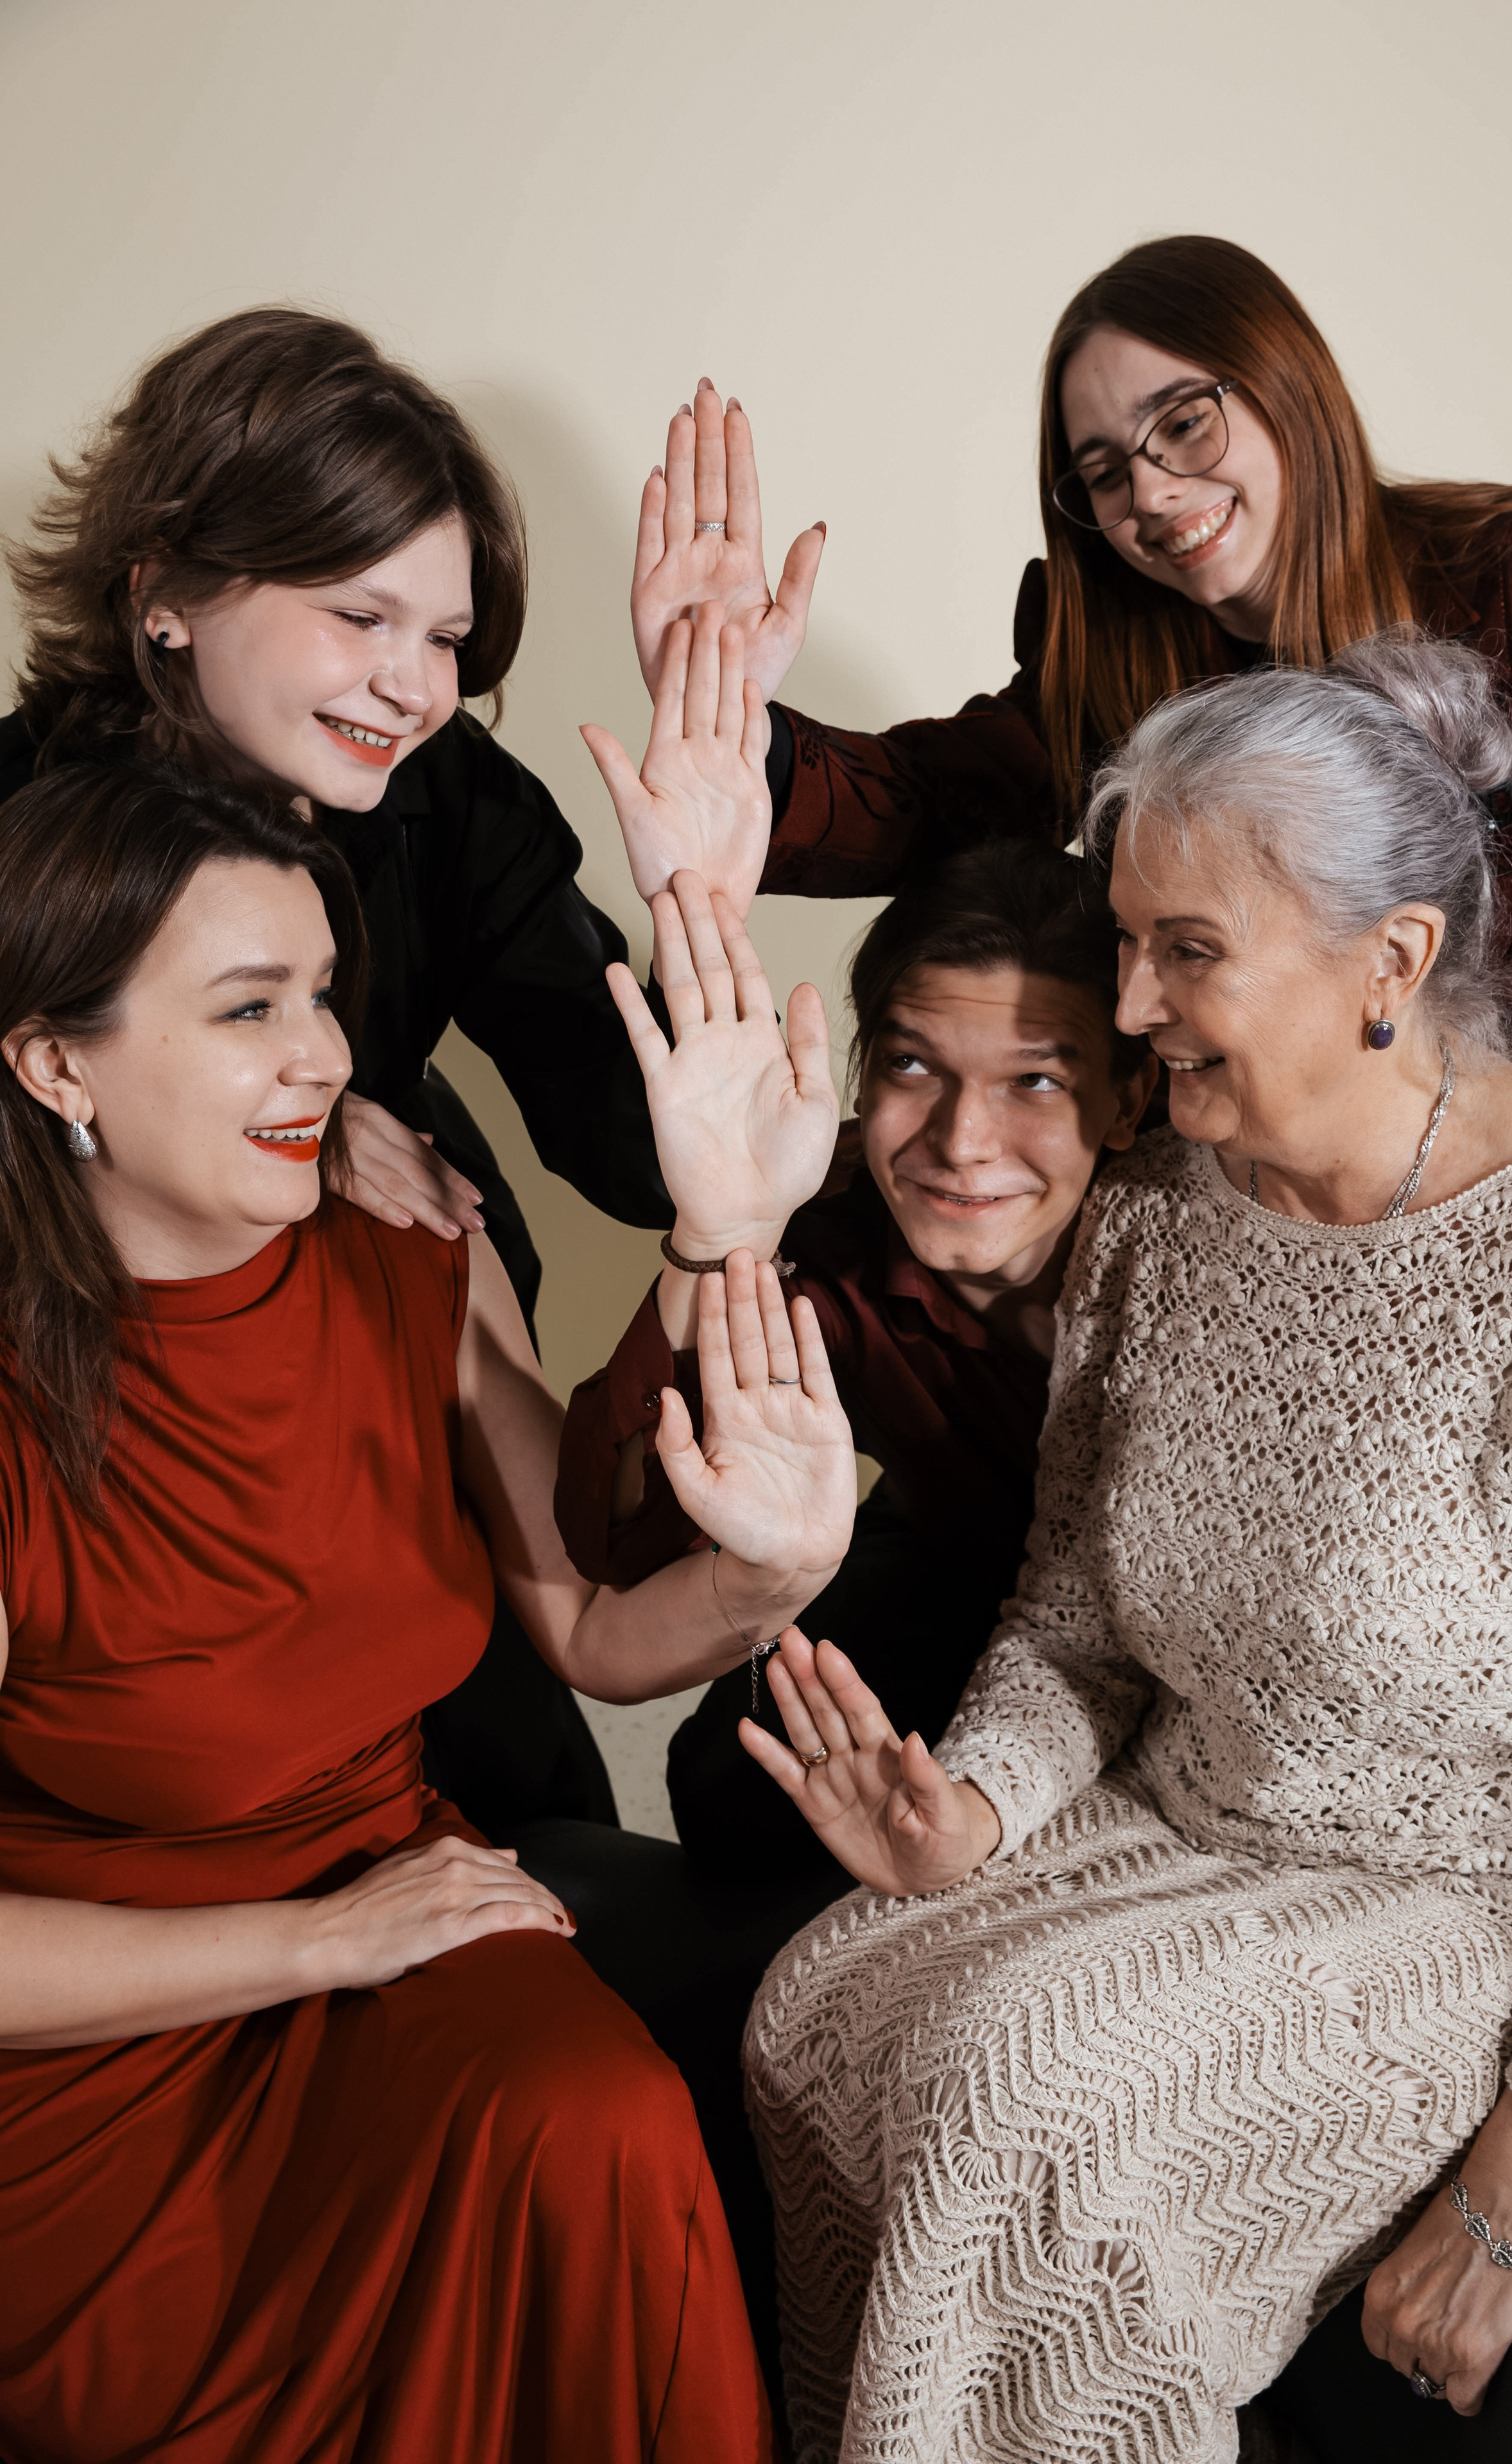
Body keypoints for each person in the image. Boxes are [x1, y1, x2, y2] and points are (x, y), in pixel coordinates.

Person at [734, 631, 1512, 2464]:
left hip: (1470, 1903)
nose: (1129, 1005)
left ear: (1388, 962)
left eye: (1186, 953)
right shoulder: (1157, 1220)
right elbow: (1075, 1622)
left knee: (1023, 2109)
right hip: (1174, 1822)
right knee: (812, 2000)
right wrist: (971, 1808)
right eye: (1130, 941)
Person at [0, 761, 857, 2463]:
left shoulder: (411, 1260)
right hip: (93, 2066)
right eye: (250, 1008)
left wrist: (766, 1567)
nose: (322, 1056)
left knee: (600, 2117)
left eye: (323, 994)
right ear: (54, 1062)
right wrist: (321, 1939)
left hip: (403, 1915)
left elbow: (601, 1632)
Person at [0, 304, 739, 1831]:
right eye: (359, 615)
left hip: (391, 1317)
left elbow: (623, 1131)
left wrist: (703, 890)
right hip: (90, 1399)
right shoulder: (19, 822)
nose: (412, 684)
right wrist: (308, 1116)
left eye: (448, 638)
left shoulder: (447, 792)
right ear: (166, 597)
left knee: (508, 1791)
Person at [627, 235, 1512, 1117]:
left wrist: (1446, 1137)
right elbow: (945, 802)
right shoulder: (1124, 662)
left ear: (1290, 385)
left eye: (1186, 423)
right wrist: (723, 709)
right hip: (1258, 1190)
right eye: (1106, 472)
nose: (1153, 491)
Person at [557, 839, 1155, 1894]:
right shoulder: (823, 1222)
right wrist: (717, 1232)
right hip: (966, 1563)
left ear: (1126, 1101)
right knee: (733, 1783)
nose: (962, 1141)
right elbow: (625, 1543)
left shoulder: (1209, 1233)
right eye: (911, 1067)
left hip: (1189, 1633)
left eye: (1035, 1082)